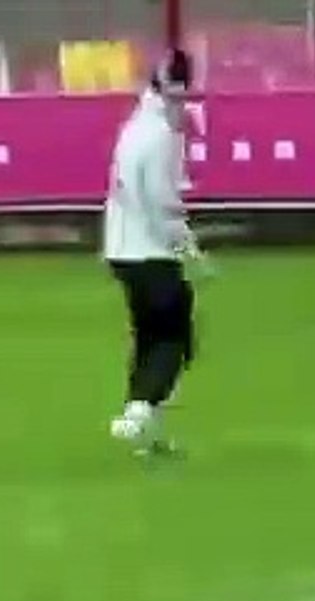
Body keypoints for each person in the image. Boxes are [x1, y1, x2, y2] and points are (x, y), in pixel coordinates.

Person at [103, 48, 204, 454]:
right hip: (150, 250)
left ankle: (146, 426)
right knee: (173, 338)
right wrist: (185, 243)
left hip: (123, 249)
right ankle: (140, 409)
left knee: (149, 335)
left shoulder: (134, 128)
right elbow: (159, 197)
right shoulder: (160, 134)